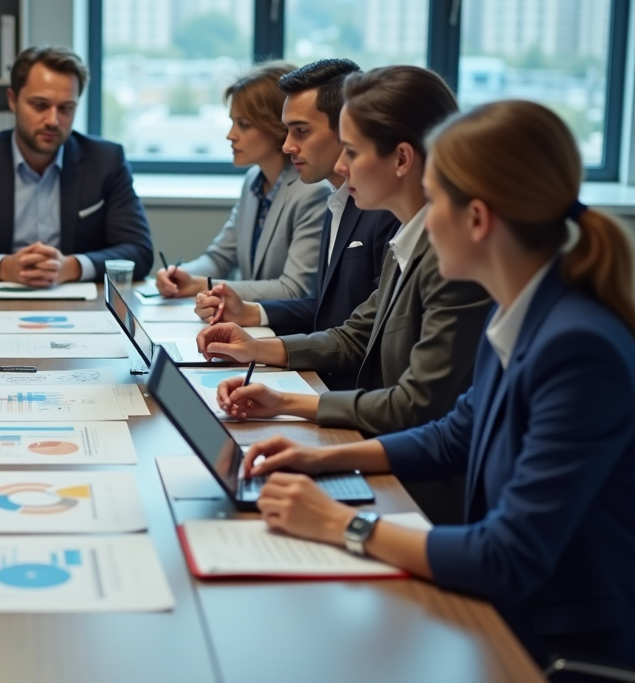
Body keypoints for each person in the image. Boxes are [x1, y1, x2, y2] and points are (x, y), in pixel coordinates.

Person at [235, 100, 635, 670]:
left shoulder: (578, 347)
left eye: (436, 199)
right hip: (507, 611)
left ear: (476, 218)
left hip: (560, 648)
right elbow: (454, 435)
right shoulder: (523, 310)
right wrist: (316, 461)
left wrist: (341, 523)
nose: (422, 220)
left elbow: (508, 555)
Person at [200, 66, 492, 522]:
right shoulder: (409, 241)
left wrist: (293, 405)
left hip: (424, 492)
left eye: (351, 152)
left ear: (401, 159)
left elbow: (415, 406)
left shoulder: (449, 257)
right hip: (394, 461)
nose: (340, 166)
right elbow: (357, 333)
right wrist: (264, 359)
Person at [193, 60, 399, 366]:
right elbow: (325, 308)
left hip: (347, 389)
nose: (287, 146)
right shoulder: (337, 201)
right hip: (325, 375)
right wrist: (252, 312)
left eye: (300, 131)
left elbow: (360, 335)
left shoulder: (384, 211)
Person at [0, 46, 153, 284]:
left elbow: (139, 251)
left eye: (65, 108)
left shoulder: (105, 160)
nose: (52, 120)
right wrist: (2, 267)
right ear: (13, 100)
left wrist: (72, 267)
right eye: (40, 105)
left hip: (82, 303)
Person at [152, 62, 328, 304]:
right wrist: (182, 275)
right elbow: (220, 257)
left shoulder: (312, 191)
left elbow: (294, 290)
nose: (230, 135)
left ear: (278, 127)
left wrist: (204, 285)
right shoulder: (254, 180)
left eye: (243, 125)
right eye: (232, 122)